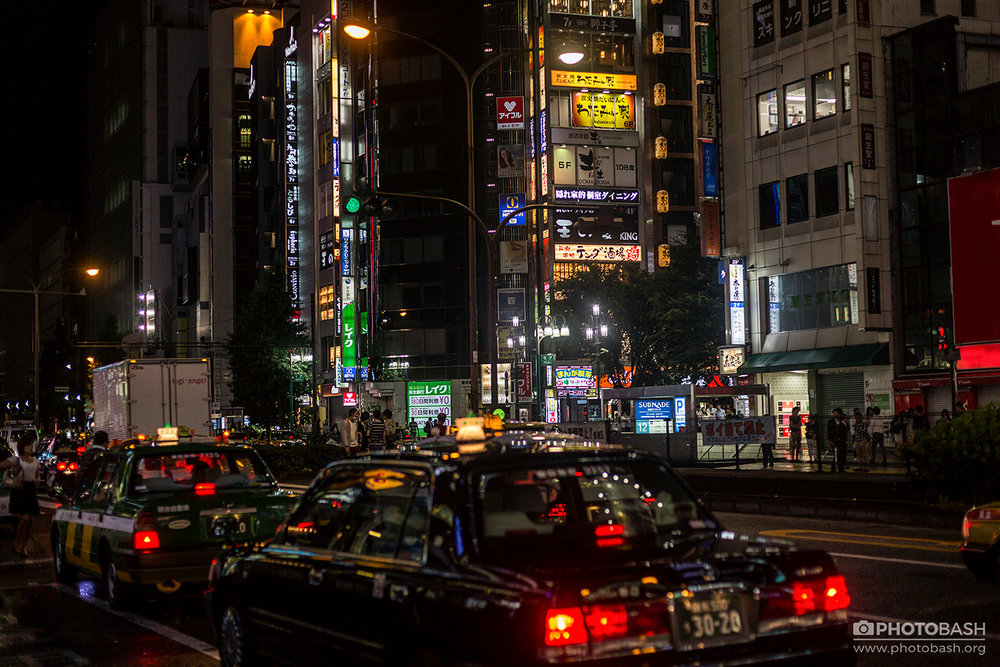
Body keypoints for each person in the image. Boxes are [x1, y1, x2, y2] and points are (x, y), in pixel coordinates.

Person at [1, 434, 41, 557]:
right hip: (20, 489)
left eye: (32, 444)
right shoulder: (16, 459)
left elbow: (37, 475)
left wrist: (37, 480)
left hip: (30, 489)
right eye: (29, 444)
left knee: (31, 521)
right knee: (25, 518)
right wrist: (13, 468)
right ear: (23, 446)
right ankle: (17, 543)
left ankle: (23, 545)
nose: (31, 446)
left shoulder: (35, 461)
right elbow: (1, 465)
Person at [826, 408, 850, 473]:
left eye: (836, 413)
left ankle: (838, 467)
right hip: (834, 440)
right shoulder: (830, 422)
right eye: (834, 413)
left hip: (842, 440)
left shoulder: (842, 422)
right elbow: (829, 431)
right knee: (837, 453)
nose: (835, 415)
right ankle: (838, 467)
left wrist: (846, 440)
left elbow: (846, 430)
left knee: (840, 454)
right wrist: (829, 439)